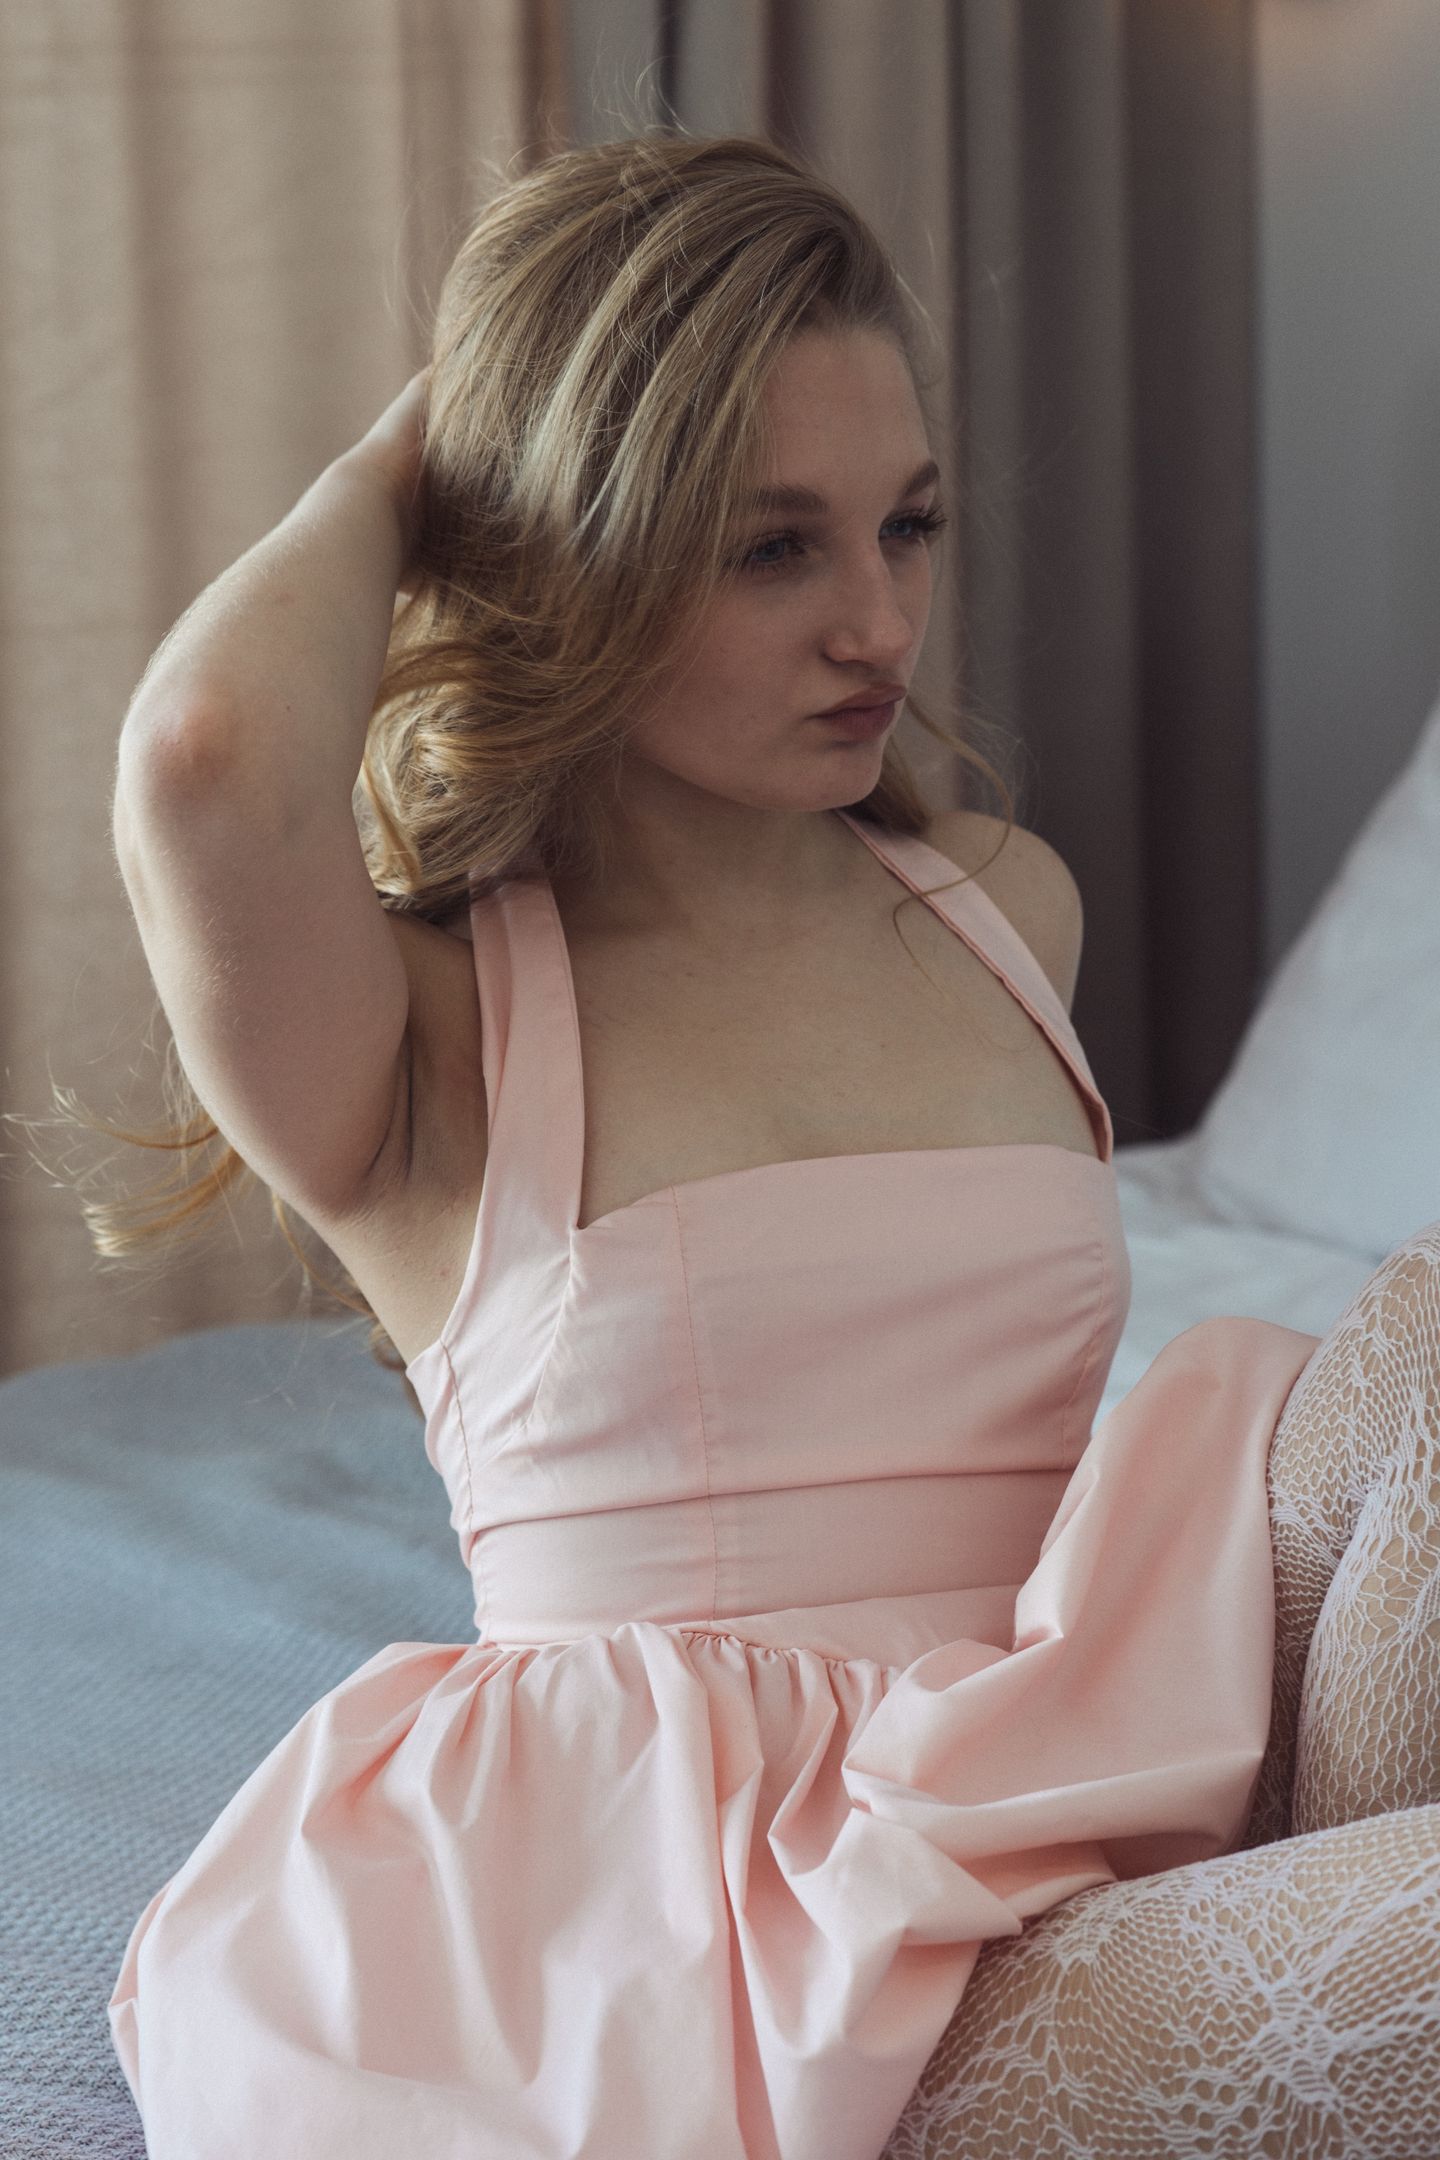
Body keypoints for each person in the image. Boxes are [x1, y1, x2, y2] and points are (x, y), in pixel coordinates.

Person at [98, 132, 1438, 2158]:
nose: (879, 624)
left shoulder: (1001, 909)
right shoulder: (426, 1045)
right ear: (579, 551)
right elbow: (204, 759)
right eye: (769, 549)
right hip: (763, 1952)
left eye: (907, 525)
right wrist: (442, 448)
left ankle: (1309, 2014)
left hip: (1075, 1758)